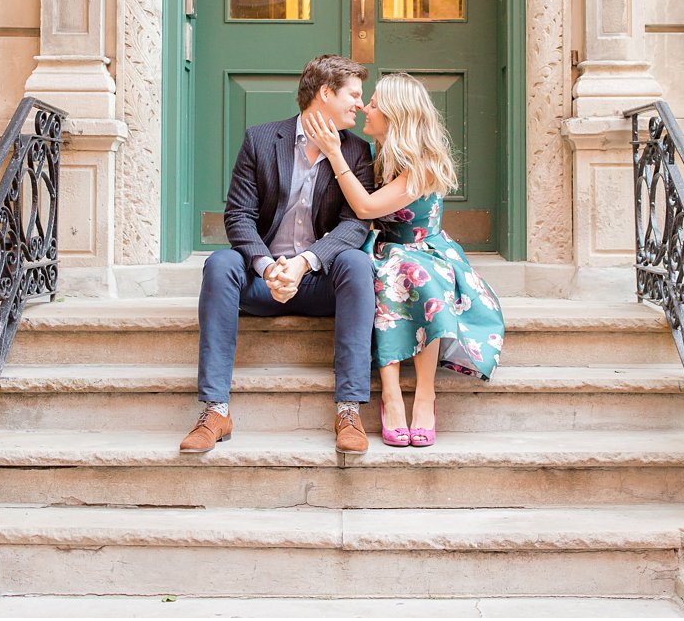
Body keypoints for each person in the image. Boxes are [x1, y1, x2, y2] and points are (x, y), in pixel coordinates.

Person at [181, 54, 378, 455]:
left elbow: (355, 225)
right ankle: (215, 410)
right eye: (354, 95)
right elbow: (238, 214)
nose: (360, 104)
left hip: (321, 282)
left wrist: (306, 262)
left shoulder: (357, 151)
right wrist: (268, 266)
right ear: (325, 93)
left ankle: (348, 410)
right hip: (264, 282)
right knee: (220, 264)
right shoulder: (261, 139)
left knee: (358, 263)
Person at [304, 72, 505, 447]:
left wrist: (333, 154)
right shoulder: (374, 155)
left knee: (415, 273)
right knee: (376, 274)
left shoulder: (423, 164)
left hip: (423, 252)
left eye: (375, 103)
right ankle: (392, 395)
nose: (365, 106)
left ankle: (425, 396)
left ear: (397, 115)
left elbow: (365, 207)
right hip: (383, 249)